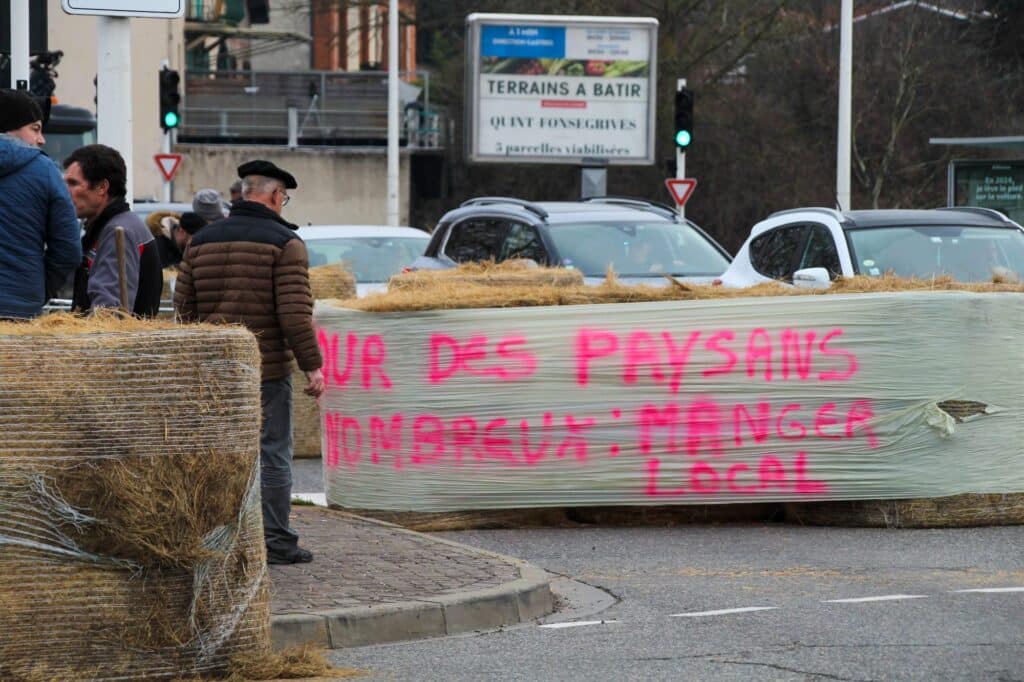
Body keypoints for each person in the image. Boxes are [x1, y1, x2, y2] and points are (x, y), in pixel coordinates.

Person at [174, 159, 324, 565]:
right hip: (266, 370)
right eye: (284, 197)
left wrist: (193, 362)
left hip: (213, 373)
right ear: (275, 195)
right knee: (272, 453)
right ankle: (275, 541)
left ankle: (220, 538)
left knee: (220, 453)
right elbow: (294, 313)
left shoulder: (200, 242)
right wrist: (313, 366)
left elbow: (183, 309)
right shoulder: (285, 244)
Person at [0, 89, 82, 319]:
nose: (42, 139)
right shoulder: (44, 171)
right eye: (35, 128)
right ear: (8, 127)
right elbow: (68, 250)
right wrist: (36, 287)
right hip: (18, 309)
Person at [63, 144, 162, 316]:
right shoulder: (113, 227)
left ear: (102, 187)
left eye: (73, 183)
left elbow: (109, 314)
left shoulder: (119, 232)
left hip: (115, 342)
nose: (65, 191)